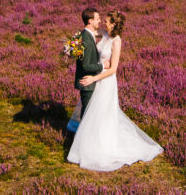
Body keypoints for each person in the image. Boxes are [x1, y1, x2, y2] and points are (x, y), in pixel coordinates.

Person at [67, 10, 163, 171]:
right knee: (94, 112)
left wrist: (93, 78)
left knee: (103, 113)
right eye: (101, 19)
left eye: (106, 20)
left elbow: (113, 69)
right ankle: (90, 143)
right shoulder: (104, 34)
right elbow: (88, 32)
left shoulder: (116, 41)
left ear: (113, 23)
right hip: (97, 76)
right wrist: (72, 44)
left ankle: (102, 145)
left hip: (105, 80)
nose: (103, 22)